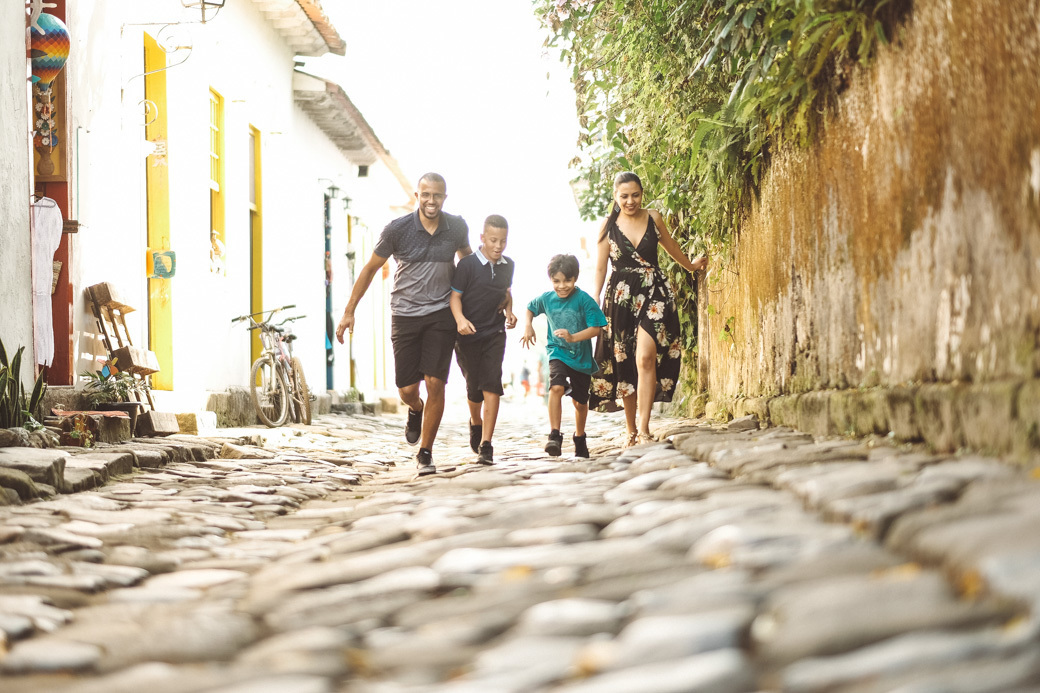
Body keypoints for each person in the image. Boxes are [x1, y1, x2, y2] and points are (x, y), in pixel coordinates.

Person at [336, 172, 472, 476]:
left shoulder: (456, 227)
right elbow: (371, 269)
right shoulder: (397, 229)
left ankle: (426, 452)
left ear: (444, 198)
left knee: (436, 382)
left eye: (437, 195)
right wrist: (349, 311)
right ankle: (415, 409)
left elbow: (469, 263)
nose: (431, 201)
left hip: (441, 313)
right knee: (408, 389)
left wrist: (493, 295)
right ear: (417, 196)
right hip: (405, 314)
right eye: (426, 195)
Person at [589, 171, 708, 447]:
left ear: (642, 193)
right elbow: (600, 266)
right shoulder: (607, 226)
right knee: (624, 360)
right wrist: (594, 297)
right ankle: (630, 429)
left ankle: (643, 428)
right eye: (624, 196)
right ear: (615, 197)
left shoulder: (653, 217)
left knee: (645, 356)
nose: (630, 201)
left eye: (635, 195)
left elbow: (670, 246)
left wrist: (690, 265)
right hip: (620, 297)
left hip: (654, 291)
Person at [521, 254, 607, 458]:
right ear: (550, 279)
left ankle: (580, 437)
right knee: (557, 387)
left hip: (580, 357)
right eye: (556, 281)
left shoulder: (584, 299)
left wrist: (573, 337)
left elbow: (596, 329)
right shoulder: (547, 299)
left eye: (567, 280)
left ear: (575, 278)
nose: (562, 286)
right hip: (556, 352)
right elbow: (530, 309)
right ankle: (554, 435)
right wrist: (528, 327)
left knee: (580, 402)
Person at [450, 214, 517, 465]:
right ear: (482, 238)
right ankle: (475, 421)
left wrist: (510, 311)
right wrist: (459, 320)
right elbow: (455, 297)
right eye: (493, 240)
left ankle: (487, 444)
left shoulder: (508, 265)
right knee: (474, 389)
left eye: (503, 241)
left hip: (494, 334)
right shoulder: (466, 265)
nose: (498, 246)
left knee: (492, 384)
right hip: (467, 335)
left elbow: (506, 291)